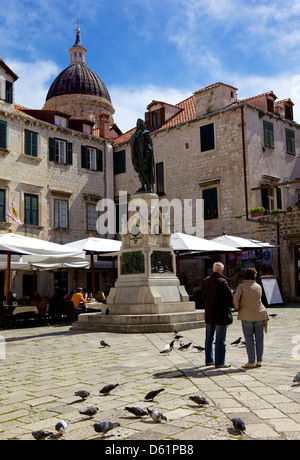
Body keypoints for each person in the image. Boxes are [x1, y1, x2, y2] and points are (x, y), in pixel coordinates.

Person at [233, 268, 269, 368]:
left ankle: (251, 361)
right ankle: (259, 361)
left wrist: (237, 307)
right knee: (260, 338)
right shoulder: (258, 286)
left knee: (249, 339)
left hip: (246, 314)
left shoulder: (241, 286)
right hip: (260, 313)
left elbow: (235, 297)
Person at [202, 262, 233, 368]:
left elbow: (203, 297)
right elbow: (229, 299)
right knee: (220, 339)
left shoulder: (205, 281)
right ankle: (220, 362)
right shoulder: (222, 282)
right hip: (220, 314)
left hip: (209, 313)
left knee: (209, 338)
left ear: (213, 270)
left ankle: (209, 359)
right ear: (222, 271)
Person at [130, 118, 155, 193]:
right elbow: (130, 141)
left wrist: (147, 155)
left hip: (144, 156)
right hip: (137, 156)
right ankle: (143, 186)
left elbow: (149, 145)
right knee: (140, 171)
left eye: (140, 124)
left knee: (146, 171)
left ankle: (149, 186)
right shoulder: (135, 135)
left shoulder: (146, 133)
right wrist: (136, 136)